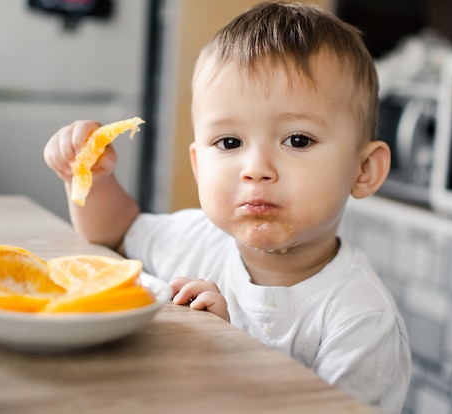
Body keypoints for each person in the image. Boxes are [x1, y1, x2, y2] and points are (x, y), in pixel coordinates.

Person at [44, 2, 411, 412]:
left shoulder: (359, 320)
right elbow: (114, 232)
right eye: (230, 143)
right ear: (199, 164)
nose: (256, 170)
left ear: (363, 170)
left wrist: (225, 355)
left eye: (298, 140)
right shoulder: (198, 241)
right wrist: (93, 178)